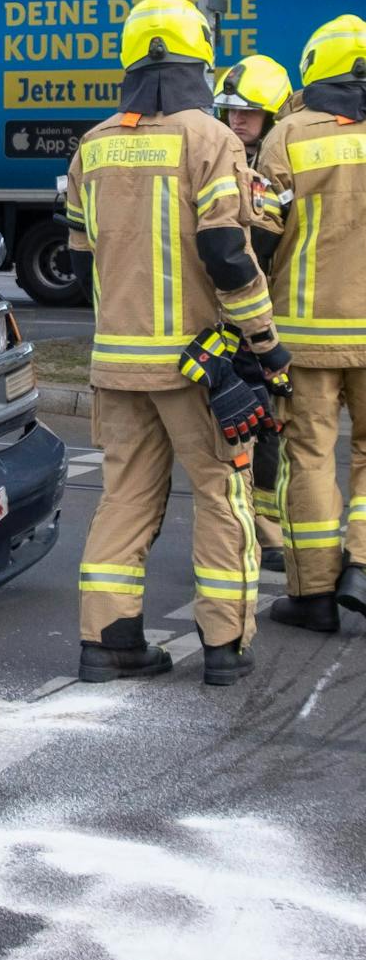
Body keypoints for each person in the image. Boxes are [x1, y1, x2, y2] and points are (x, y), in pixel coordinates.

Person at [62, 0, 290, 686]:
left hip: (116, 365)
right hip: (198, 366)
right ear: (199, 58)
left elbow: (80, 259)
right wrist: (266, 345)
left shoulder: (93, 146)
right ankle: (225, 646)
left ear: (130, 59)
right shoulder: (211, 139)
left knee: (125, 496)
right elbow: (228, 252)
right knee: (223, 495)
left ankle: (108, 641)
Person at [252, 14, 366, 630]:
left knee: (312, 457)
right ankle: (364, 565)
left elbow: (261, 237)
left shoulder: (289, 134)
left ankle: (315, 596)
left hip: (307, 334)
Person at [214, 53, 295, 572]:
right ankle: (255, 535)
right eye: (230, 110)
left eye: (250, 112)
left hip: (263, 321)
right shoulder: (216, 158)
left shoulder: (274, 166)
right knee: (238, 438)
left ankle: (265, 531)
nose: (238, 119)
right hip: (225, 326)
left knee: (267, 434)